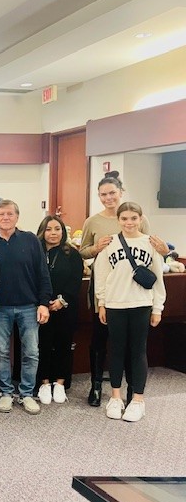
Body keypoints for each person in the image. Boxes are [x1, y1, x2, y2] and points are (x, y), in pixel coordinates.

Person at [79, 171, 168, 407]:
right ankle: (97, 386)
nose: (108, 198)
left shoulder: (140, 219)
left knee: (132, 345)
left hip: (136, 295)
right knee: (101, 339)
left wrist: (166, 252)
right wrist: (96, 248)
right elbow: (83, 250)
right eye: (103, 194)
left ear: (120, 192)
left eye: (112, 193)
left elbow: (151, 253)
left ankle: (132, 391)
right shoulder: (92, 221)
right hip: (108, 292)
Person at [94, 202, 166, 422]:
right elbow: (102, 275)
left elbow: (158, 279)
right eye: (124, 218)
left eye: (133, 218)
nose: (129, 222)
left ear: (141, 218)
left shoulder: (151, 243)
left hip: (141, 304)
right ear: (118, 220)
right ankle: (115, 397)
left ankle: (138, 400)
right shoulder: (110, 243)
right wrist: (102, 303)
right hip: (115, 304)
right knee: (116, 350)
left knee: (138, 351)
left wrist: (158, 308)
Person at [0, 200, 52, 415]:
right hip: (0, 308)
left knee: (31, 352)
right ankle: (5, 392)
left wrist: (44, 303)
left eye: (10, 214)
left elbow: (42, 272)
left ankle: (27, 394)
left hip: (28, 306)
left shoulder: (30, 240)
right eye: (1, 214)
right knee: (1, 351)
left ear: (17, 217)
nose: (5, 217)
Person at [35, 215, 83, 405]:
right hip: (40, 307)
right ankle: (45, 383)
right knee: (42, 345)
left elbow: (75, 281)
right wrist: (43, 302)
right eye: (49, 229)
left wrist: (62, 301)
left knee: (64, 345)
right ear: (42, 231)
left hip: (65, 307)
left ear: (63, 232)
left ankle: (60, 384)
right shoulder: (35, 252)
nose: (53, 233)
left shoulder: (72, 254)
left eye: (57, 229)